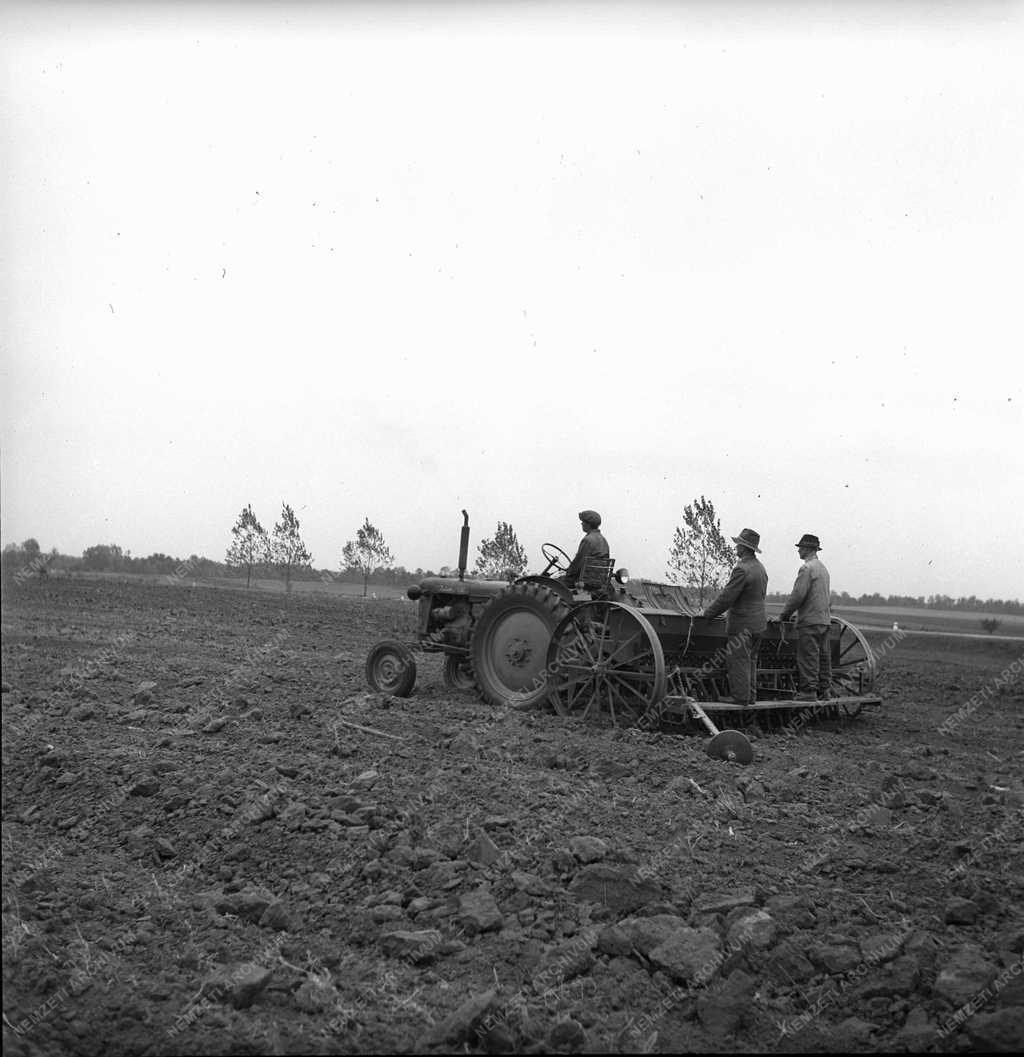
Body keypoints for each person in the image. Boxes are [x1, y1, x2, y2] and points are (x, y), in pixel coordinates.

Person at [700, 528, 768, 705]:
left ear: (744, 548)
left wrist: (708, 614)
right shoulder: (761, 569)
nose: (735, 546)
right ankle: (750, 696)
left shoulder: (741, 569)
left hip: (742, 625)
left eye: (738, 543)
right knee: (751, 661)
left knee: (738, 660)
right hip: (759, 625)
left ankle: (739, 697)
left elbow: (727, 598)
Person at [778, 533, 832, 701]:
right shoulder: (823, 569)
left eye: (800, 547)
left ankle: (808, 692)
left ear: (808, 549)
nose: (798, 550)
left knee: (808, 656)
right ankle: (825, 691)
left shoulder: (807, 569)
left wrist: (785, 614)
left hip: (809, 621)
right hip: (824, 620)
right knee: (823, 657)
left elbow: (798, 595)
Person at [564, 510, 609, 590]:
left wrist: (568, 573)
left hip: (583, 581)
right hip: (598, 580)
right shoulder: (603, 540)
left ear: (588, 524)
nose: (581, 524)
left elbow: (578, 562)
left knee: (551, 584)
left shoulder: (588, 540)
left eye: (583, 522)